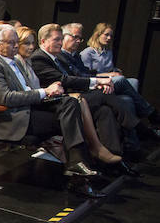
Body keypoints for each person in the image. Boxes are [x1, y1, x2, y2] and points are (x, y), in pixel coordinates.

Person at [0, 24, 106, 198]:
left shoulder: (16, 60)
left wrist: (50, 92)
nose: (16, 46)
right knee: (70, 119)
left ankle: (77, 166)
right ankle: (79, 171)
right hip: (12, 118)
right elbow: (6, 98)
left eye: (17, 42)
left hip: (29, 110)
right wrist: (44, 92)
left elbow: (29, 88)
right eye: (11, 43)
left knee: (70, 103)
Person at [30, 23, 138, 163]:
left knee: (104, 111)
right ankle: (138, 129)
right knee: (106, 94)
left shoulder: (57, 58)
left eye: (61, 39)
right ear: (43, 41)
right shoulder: (39, 58)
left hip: (74, 96)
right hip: (57, 102)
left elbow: (78, 75)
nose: (60, 42)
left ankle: (112, 157)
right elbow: (64, 80)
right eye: (56, 39)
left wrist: (97, 83)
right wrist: (98, 82)